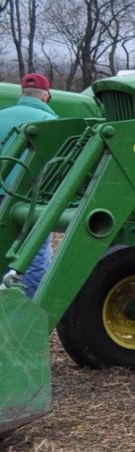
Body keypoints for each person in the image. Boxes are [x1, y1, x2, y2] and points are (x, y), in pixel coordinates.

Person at [0, 71, 57, 296]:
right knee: (34, 257)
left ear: (22, 93)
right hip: (28, 200)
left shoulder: (1, 115)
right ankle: (27, 308)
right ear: (46, 97)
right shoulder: (51, 123)